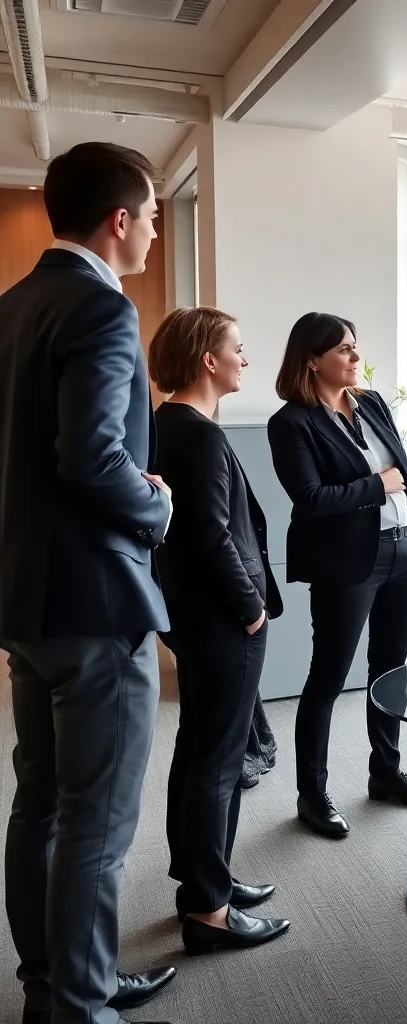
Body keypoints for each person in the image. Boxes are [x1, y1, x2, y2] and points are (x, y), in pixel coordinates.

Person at [0, 142, 175, 1024]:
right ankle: (81, 1008)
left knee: (38, 803)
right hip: (96, 605)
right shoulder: (103, 311)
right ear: (119, 220)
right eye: (149, 213)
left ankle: (57, 985)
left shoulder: (11, 306)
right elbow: (93, 458)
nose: (151, 227)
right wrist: (156, 509)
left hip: (24, 602)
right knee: (96, 825)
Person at [149, 307, 290, 954]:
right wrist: (251, 607)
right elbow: (209, 535)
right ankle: (208, 910)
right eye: (237, 348)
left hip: (193, 619)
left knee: (200, 753)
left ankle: (207, 880)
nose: (245, 359)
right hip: (222, 621)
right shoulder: (196, 434)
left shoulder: (170, 424)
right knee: (218, 762)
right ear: (209, 360)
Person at [267, 313, 407, 839]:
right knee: (328, 678)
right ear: (312, 358)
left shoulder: (371, 403)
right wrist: (377, 484)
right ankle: (312, 796)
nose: (354, 356)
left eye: (354, 346)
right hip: (348, 564)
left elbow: (404, 472)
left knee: (390, 671)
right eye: (343, 349)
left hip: (405, 553)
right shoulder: (291, 422)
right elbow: (312, 500)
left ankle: (386, 774)